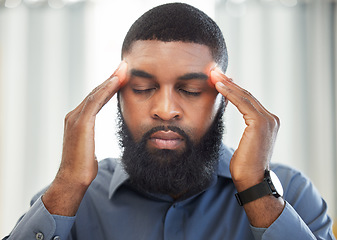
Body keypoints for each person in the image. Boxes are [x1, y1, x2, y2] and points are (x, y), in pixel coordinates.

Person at [3, 3, 335, 240]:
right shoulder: (69, 200)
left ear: (224, 97)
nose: (165, 109)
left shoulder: (290, 192)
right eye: (143, 88)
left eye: (190, 90)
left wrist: (257, 191)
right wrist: (68, 183)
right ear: (116, 94)